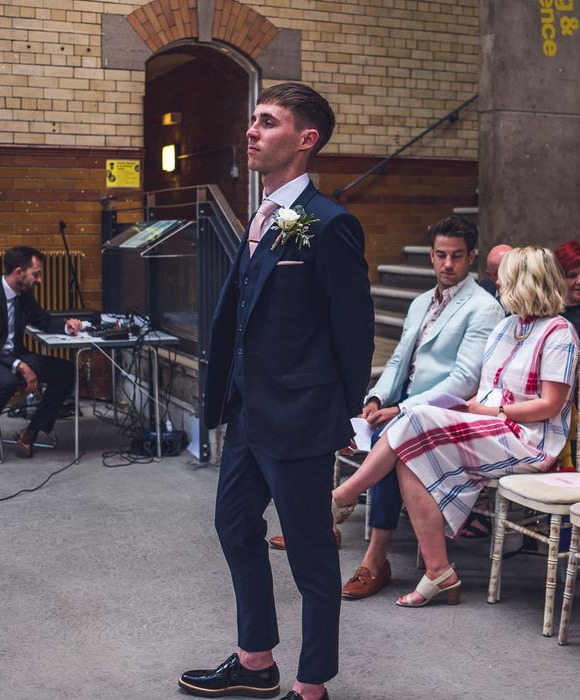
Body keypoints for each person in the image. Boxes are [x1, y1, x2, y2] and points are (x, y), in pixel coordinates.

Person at [179, 83, 373, 700]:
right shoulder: (262, 215)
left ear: (305, 139)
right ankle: (255, 660)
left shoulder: (331, 224)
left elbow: (354, 331)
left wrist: (340, 414)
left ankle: (312, 684)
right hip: (247, 413)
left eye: (267, 122)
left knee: (311, 558)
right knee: (235, 528)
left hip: (299, 416)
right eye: (253, 121)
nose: (251, 131)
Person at [331, 246, 578, 606]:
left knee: (415, 418)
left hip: (529, 439)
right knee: (410, 454)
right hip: (491, 426)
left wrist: (494, 414)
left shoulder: (559, 332)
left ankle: (343, 496)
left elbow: (551, 405)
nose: (499, 282)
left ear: (526, 282)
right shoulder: (508, 326)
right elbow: (486, 388)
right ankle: (439, 571)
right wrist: (467, 409)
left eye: (505, 277)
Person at [293, 215, 502, 600]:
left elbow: (464, 380)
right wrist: (376, 399)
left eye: (456, 256)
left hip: (446, 413)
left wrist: (402, 409)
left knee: (397, 437)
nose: (447, 264)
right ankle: (323, 523)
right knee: (337, 420)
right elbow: (397, 362)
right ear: (431, 256)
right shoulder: (422, 301)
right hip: (406, 407)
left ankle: (372, 557)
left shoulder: (483, 308)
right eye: (440, 255)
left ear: (471, 257)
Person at [0, 246, 81, 468]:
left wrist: (67, 326)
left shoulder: (22, 294)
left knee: (66, 371)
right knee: (6, 380)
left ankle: (30, 432)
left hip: (14, 357)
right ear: (19, 272)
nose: (39, 280)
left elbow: (43, 320)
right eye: (36, 273)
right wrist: (19, 364)